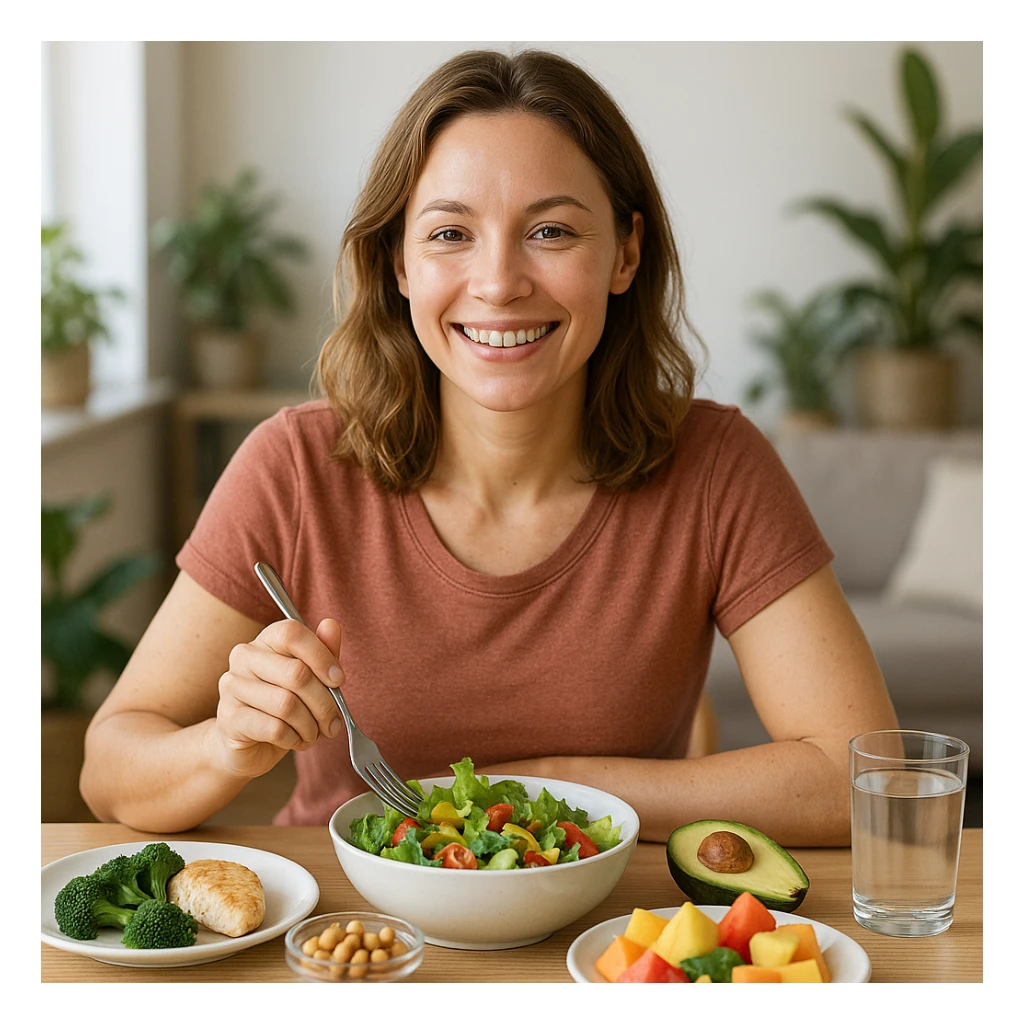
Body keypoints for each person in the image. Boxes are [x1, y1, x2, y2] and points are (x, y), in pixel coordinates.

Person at [80, 48, 898, 846]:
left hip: (607, 944)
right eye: (449, 234)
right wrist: (226, 746)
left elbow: (856, 777)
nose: (500, 282)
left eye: (550, 230)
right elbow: (110, 768)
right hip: (347, 942)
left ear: (626, 252)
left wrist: (541, 791)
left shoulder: (717, 464)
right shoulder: (293, 467)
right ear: (397, 262)